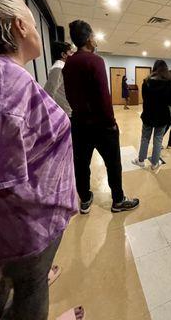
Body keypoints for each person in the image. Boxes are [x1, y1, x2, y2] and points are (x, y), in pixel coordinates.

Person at [0, 0, 84, 320]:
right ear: (20, 26)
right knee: (29, 292)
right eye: (34, 24)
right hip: (24, 230)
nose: (37, 33)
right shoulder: (7, 85)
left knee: (18, 284)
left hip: (25, 225)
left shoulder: (14, 76)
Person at [63, 20, 139, 214]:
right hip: (101, 125)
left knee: (81, 164)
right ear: (89, 39)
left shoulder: (68, 63)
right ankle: (118, 200)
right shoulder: (95, 61)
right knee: (113, 164)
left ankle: (85, 199)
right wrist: (111, 123)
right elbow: (103, 97)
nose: (96, 40)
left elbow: (69, 94)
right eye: (94, 36)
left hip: (78, 123)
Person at [132, 60, 171, 171]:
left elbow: (145, 99)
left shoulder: (146, 82)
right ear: (165, 69)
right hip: (162, 116)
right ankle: (155, 163)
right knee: (158, 139)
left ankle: (141, 161)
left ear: (154, 68)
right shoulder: (169, 83)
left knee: (145, 138)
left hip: (148, 115)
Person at [44, 41, 73, 117]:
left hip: (67, 110)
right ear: (63, 55)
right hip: (64, 112)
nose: (73, 54)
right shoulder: (58, 68)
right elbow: (49, 92)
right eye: (70, 52)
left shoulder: (63, 67)